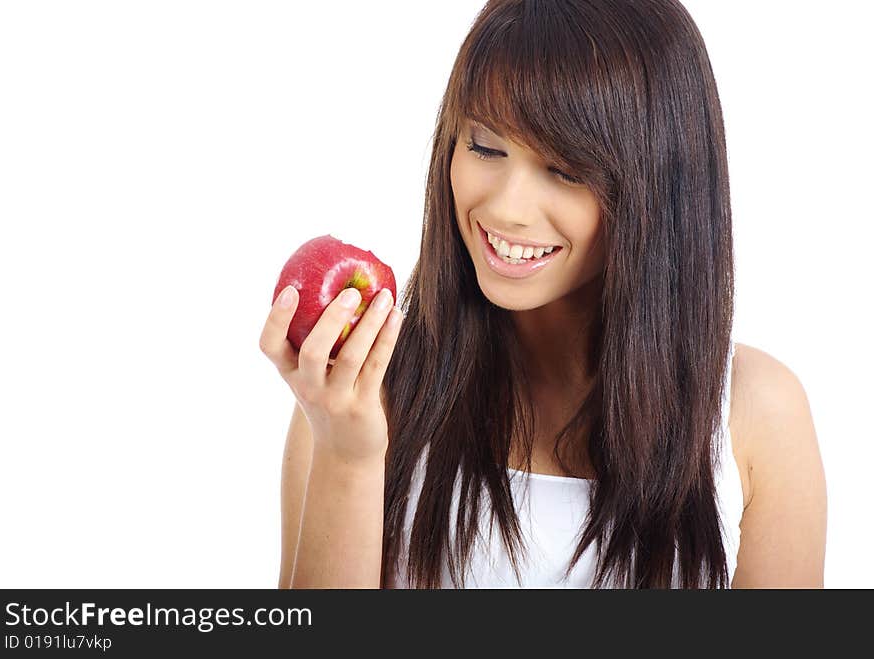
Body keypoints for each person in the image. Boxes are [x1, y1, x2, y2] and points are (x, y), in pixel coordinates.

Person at [259, 0, 826, 589]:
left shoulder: (756, 416)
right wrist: (347, 459)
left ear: (660, 186)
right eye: (484, 146)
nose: (505, 207)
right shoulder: (356, 399)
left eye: (566, 169)